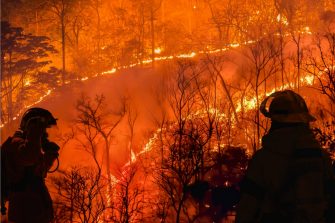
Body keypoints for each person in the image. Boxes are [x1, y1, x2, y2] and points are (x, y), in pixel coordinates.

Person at [235, 90, 335, 223]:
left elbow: (247, 208)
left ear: (274, 121)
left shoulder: (262, 160)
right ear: (304, 121)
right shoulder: (321, 157)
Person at [1, 108, 60, 223]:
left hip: (33, 211)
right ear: (32, 128)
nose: (45, 136)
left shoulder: (27, 146)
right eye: (43, 131)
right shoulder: (16, 144)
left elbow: (37, 173)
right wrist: (36, 132)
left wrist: (50, 156)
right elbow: (29, 157)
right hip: (25, 212)